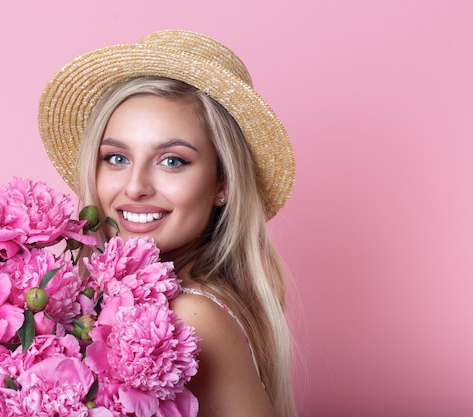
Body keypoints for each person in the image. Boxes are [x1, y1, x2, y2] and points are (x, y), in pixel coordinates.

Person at [38, 30, 297, 417]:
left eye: (172, 160)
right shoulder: (103, 302)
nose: (136, 186)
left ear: (222, 183)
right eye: (116, 158)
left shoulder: (190, 317)